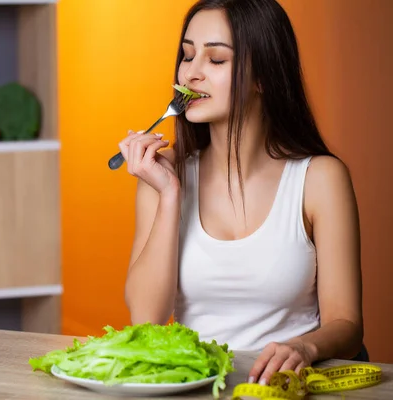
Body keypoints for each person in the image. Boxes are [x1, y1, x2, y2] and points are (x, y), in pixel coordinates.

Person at [118, 0, 364, 387]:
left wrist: (305, 347)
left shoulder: (320, 179)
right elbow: (145, 318)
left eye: (216, 60)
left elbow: (347, 325)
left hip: (288, 388)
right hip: (197, 386)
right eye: (187, 55)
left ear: (262, 77)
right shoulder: (162, 179)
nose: (191, 73)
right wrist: (169, 196)